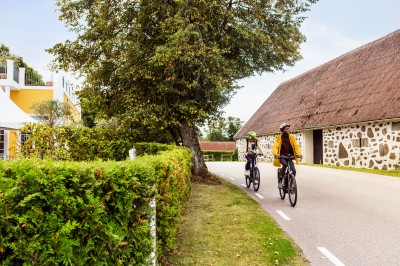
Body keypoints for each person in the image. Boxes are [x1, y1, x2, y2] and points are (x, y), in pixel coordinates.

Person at [272, 123, 302, 188]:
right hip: (282, 156)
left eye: (288, 128)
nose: (288, 130)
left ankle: (290, 183)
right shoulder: (279, 138)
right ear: (283, 130)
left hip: (290, 156)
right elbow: (275, 146)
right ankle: (280, 180)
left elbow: (296, 146)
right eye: (286, 129)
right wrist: (275, 154)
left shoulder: (292, 137)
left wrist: (299, 154)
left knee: (293, 171)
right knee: (285, 165)